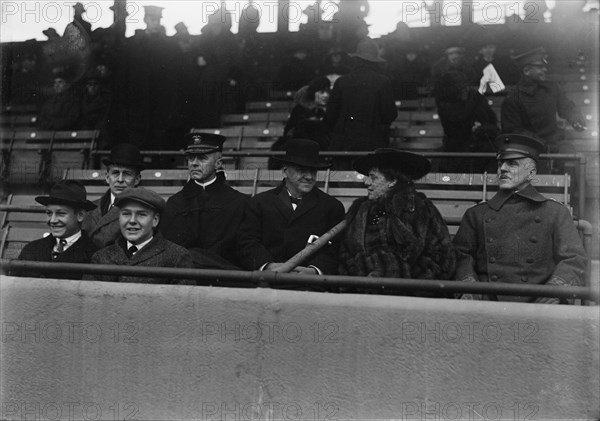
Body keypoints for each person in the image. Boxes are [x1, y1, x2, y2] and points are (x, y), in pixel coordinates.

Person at [453, 132, 587, 303]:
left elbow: (574, 259)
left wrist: (555, 292)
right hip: (487, 303)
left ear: (531, 173)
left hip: (540, 305)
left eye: (512, 164)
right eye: (501, 163)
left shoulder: (555, 212)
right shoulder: (477, 214)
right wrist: (468, 288)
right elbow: (460, 255)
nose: (502, 169)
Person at [338, 149, 456, 295]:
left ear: (392, 181)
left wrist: (402, 278)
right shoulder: (359, 211)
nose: (366, 182)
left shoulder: (420, 209)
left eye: (373, 177)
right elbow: (344, 254)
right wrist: (364, 275)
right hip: (362, 295)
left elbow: (443, 259)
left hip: (412, 299)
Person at [237, 139, 345, 275]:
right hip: (267, 281)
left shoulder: (331, 207)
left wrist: (313, 271)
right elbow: (247, 242)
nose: (309, 177)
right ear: (284, 171)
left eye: (313, 171)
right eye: (302, 170)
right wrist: (268, 266)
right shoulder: (259, 203)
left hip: (309, 284)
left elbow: (334, 249)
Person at [160, 133, 247, 269]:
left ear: (218, 163)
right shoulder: (175, 203)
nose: (194, 163)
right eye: (191, 158)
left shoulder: (238, 202)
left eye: (202, 158)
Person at [87, 188, 194, 284]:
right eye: (126, 214)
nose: (132, 221)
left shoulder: (177, 257)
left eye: (141, 214)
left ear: (155, 220)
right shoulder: (102, 257)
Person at [501, 47, 586, 153]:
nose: (544, 70)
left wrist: (576, 119)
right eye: (540, 67)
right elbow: (514, 130)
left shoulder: (552, 88)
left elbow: (567, 107)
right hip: (528, 146)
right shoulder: (512, 98)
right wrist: (540, 143)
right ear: (527, 71)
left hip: (554, 143)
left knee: (569, 153)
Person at [325, 37, 397, 157]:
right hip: (373, 144)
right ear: (375, 61)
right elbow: (390, 115)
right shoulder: (383, 82)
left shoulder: (342, 82)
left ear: (356, 59)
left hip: (344, 144)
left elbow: (330, 116)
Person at [14, 180, 98, 279]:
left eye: (61, 213)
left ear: (80, 215)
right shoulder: (31, 249)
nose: (52, 220)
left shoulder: (93, 255)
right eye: (49, 213)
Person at [82, 143, 144, 248]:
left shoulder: (143, 211)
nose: (120, 180)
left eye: (127, 174)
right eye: (115, 173)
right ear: (107, 177)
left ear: (137, 179)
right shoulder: (90, 208)